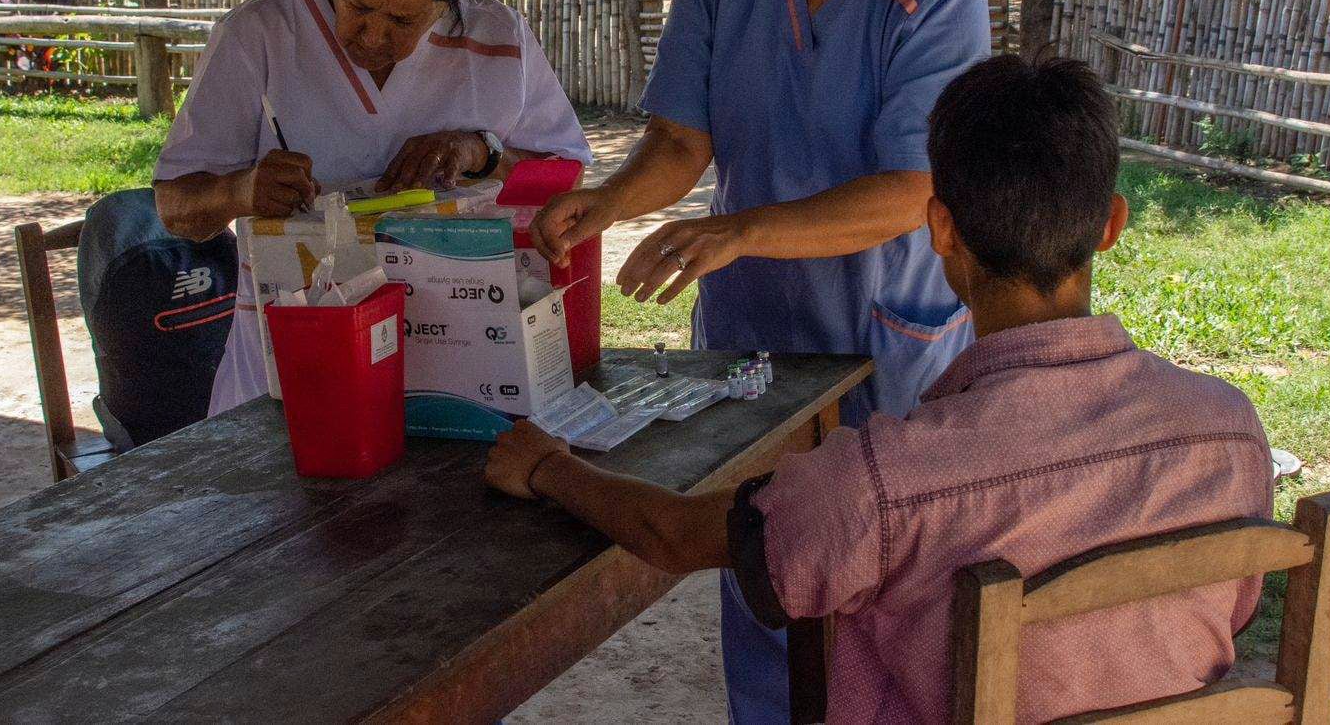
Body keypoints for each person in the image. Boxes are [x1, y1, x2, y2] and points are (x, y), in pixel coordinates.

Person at [493, 55, 1275, 724]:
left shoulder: (886, 485)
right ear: (1110, 225)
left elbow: (673, 537)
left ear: (939, 228)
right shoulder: (1230, 433)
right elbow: (1230, 615)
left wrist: (548, 467)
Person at [528, 0, 991, 721]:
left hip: (883, 338)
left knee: (892, 588)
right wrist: (607, 202)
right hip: (755, 334)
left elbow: (912, 189)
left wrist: (739, 231)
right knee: (766, 565)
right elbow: (680, 140)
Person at [155, 0, 592, 416]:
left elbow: (566, 182)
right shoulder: (258, 35)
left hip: (468, 359)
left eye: (403, 22)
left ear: (447, 5)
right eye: (358, 6)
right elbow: (177, 210)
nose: (371, 36)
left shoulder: (499, 38)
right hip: (297, 353)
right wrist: (240, 189)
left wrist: (481, 150)